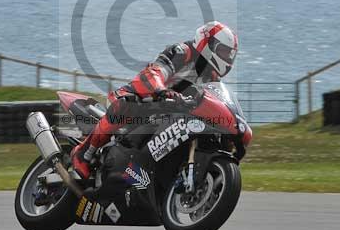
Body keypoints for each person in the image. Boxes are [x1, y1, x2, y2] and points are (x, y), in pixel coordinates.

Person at [71, 21, 238, 179]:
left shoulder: (212, 77)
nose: (227, 58)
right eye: (223, 51)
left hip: (173, 116)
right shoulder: (182, 52)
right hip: (145, 99)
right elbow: (154, 72)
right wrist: (161, 90)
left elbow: (216, 99)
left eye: (230, 54)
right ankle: (84, 151)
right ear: (208, 43)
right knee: (126, 106)